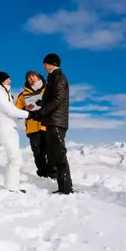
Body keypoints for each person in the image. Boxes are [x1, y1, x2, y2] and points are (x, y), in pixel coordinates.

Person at [26, 53, 73, 195]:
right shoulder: (53, 77)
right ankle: (63, 187)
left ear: (50, 64)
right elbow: (52, 97)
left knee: (59, 155)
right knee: (56, 154)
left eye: (45, 63)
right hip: (52, 121)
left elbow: (58, 99)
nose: (43, 66)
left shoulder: (58, 77)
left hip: (56, 121)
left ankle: (66, 189)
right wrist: (40, 103)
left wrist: (42, 111)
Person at [0, 70, 30, 193]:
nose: (10, 81)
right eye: (8, 79)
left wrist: (24, 111)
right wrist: (30, 114)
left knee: (13, 159)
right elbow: (10, 110)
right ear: (2, 80)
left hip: (9, 128)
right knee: (15, 159)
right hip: (6, 129)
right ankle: (12, 188)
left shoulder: (3, 92)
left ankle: (11, 186)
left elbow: (12, 111)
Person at [15, 70, 56, 179]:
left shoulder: (48, 90)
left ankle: (53, 173)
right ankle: (43, 174)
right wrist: (24, 109)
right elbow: (16, 112)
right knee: (38, 153)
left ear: (38, 77)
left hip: (47, 125)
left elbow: (56, 104)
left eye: (33, 76)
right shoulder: (22, 95)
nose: (31, 78)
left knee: (51, 150)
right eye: (29, 77)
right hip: (32, 127)